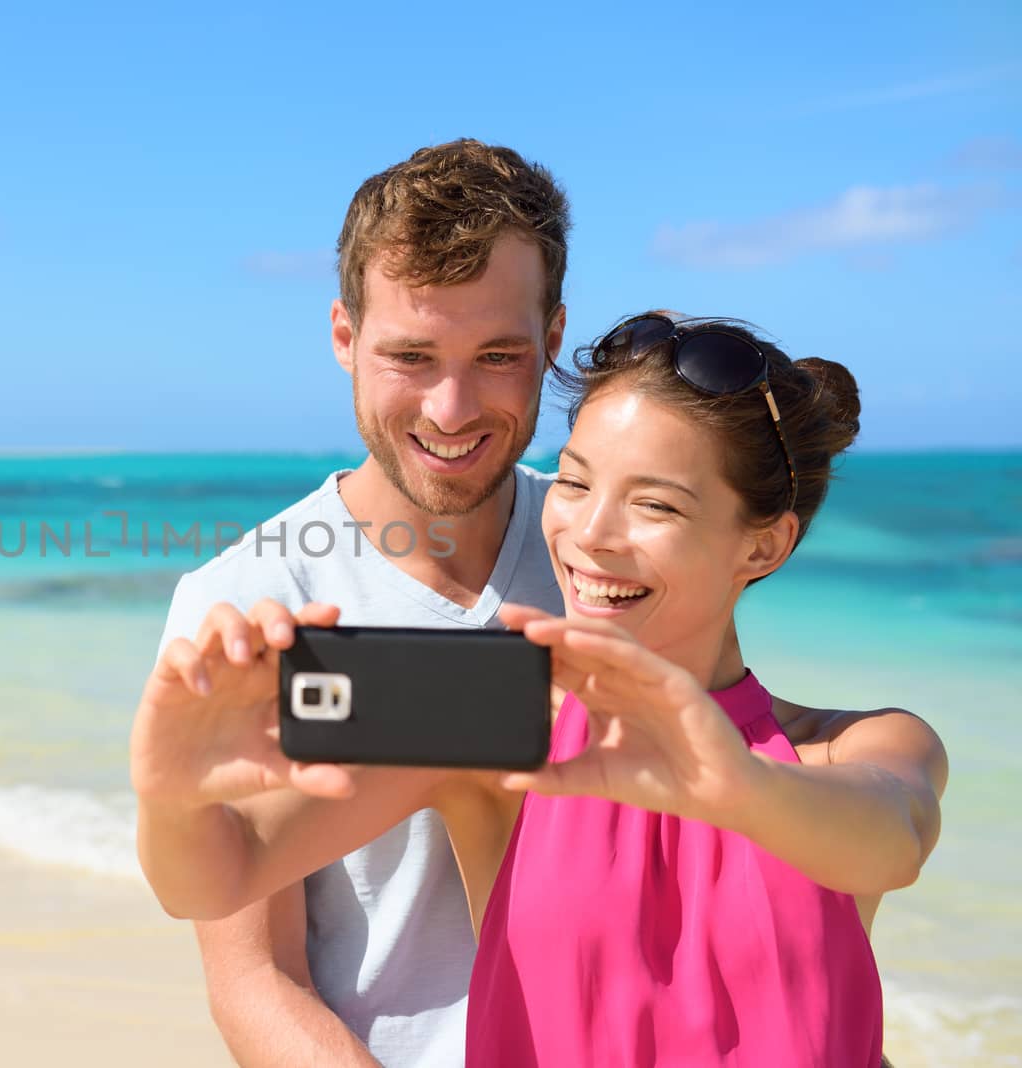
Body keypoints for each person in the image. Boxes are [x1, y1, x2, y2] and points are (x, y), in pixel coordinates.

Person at [132, 312, 949, 1067]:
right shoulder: (499, 728)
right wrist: (174, 796)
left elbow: (896, 836)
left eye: (655, 504)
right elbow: (213, 880)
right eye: (575, 481)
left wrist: (735, 785)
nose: (590, 535)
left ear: (764, 547)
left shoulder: (853, 748)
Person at [147, 139, 571, 1066]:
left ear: (552, 337)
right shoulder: (249, 599)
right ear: (345, 337)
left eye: (498, 354)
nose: (451, 409)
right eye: (410, 356)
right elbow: (256, 981)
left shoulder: (603, 556)